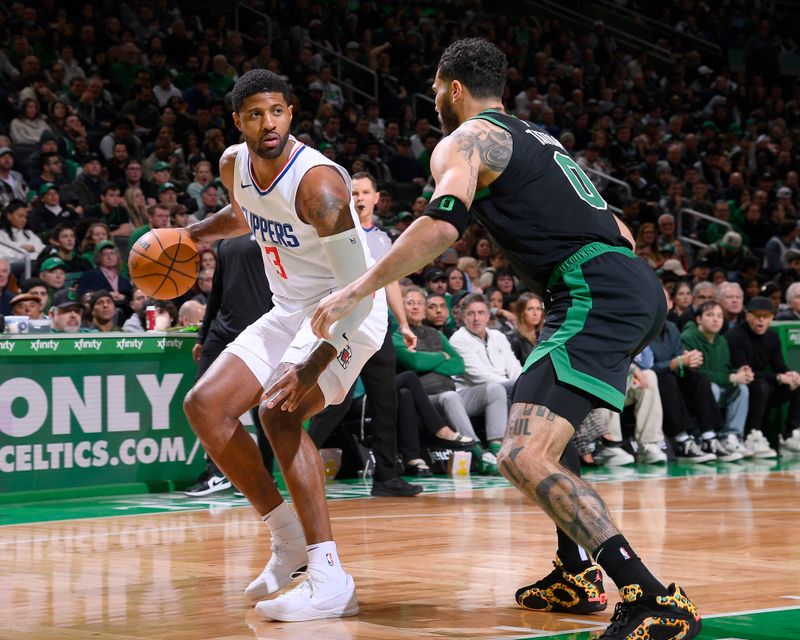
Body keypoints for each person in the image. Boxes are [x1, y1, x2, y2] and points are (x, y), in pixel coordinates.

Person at [312, 39, 701, 639]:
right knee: (544, 428)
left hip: (591, 289)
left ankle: (653, 599)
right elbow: (617, 225)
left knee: (521, 453)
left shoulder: (464, 140)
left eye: (436, 89)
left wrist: (356, 288)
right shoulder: (537, 138)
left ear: (453, 88)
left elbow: (443, 222)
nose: (434, 99)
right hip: (619, 280)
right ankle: (571, 571)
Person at [181, 70, 388, 623]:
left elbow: (359, 294)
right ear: (238, 121)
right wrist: (190, 238)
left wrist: (313, 365)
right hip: (290, 310)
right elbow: (245, 213)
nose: (266, 122)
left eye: (276, 111)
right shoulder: (235, 165)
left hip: (349, 310)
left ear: (291, 114)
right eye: (254, 114)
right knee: (206, 407)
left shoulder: (319, 186)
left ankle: (330, 578)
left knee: (279, 411)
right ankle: (289, 541)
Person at [308, 172, 422, 497]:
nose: (359, 198)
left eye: (365, 192)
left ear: (376, 197)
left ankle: (386, 477)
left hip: (378, 326)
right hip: (345, 325)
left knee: (386, 401)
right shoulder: (335, 231)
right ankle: (293, 458)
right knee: (335, 400)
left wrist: (403, 323)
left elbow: (393, 282)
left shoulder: (384, 240)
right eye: (353, 192)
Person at [727, 296, 800, 455]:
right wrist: (779, 378)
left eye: (766, 316)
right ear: (748, 316)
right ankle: (752, 435)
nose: (761, 320)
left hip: (764, 387)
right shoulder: (735, 336)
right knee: (761, 385)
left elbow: (779, 366)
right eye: (757, 315)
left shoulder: (772, 337)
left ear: (772, 318)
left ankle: (790, 435)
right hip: (741, 385)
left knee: (795, 383)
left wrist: (790, 374)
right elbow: (746, 372)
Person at [680, 300, 753, 458]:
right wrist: (732, 377)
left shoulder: (722, 341)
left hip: (718, 390)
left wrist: (739, 372)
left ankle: (730, 437)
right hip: (691, 394)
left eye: (720, 316)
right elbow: (699, 375)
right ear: (699, 319)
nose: (716, 319)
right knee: (710, 387)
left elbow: (724, 368)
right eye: (710, 315)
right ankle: (705, 437)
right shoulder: (688, 338)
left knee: (742, 388)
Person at [507, 292, 545, 365]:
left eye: (538, 309)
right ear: (521, 312)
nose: (535, 313)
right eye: (530, 309)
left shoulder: (544, 335)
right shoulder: (512, 338)